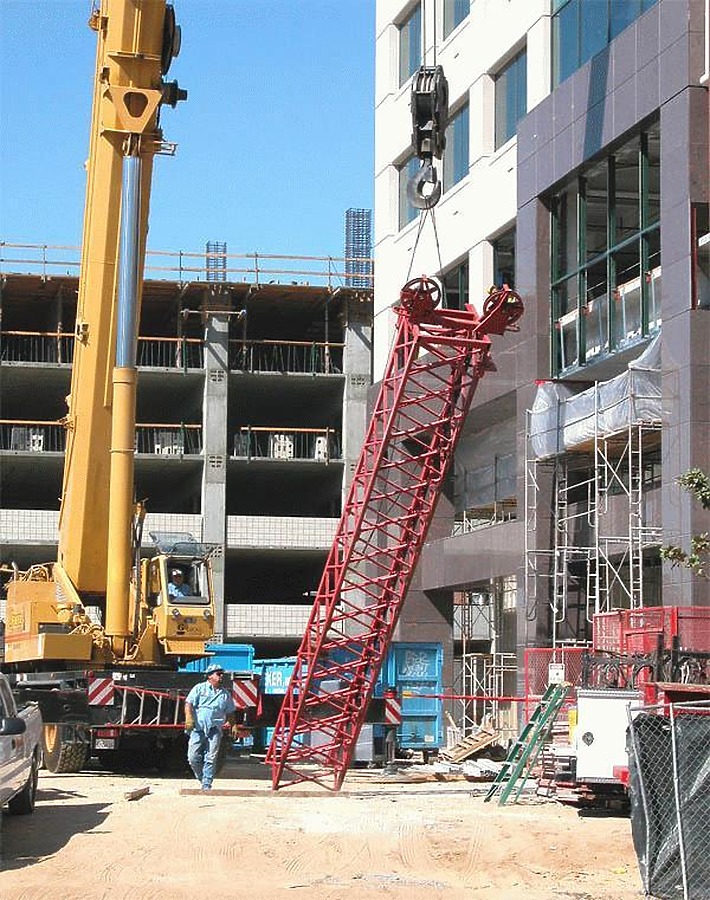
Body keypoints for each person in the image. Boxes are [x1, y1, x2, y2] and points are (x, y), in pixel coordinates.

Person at [184, 664, 238, 791]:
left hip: (214, 729)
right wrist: (189, 718)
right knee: (192, 758)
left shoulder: (225, 694)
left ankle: (206, 785)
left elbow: (230, 712)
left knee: (211, 757)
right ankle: (202, 778)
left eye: (221, 674)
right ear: (209, 676)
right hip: (198, 728)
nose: (221, 677)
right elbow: (189, 704)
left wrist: (233, 725)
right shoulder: (199, 689)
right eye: (218, 674)